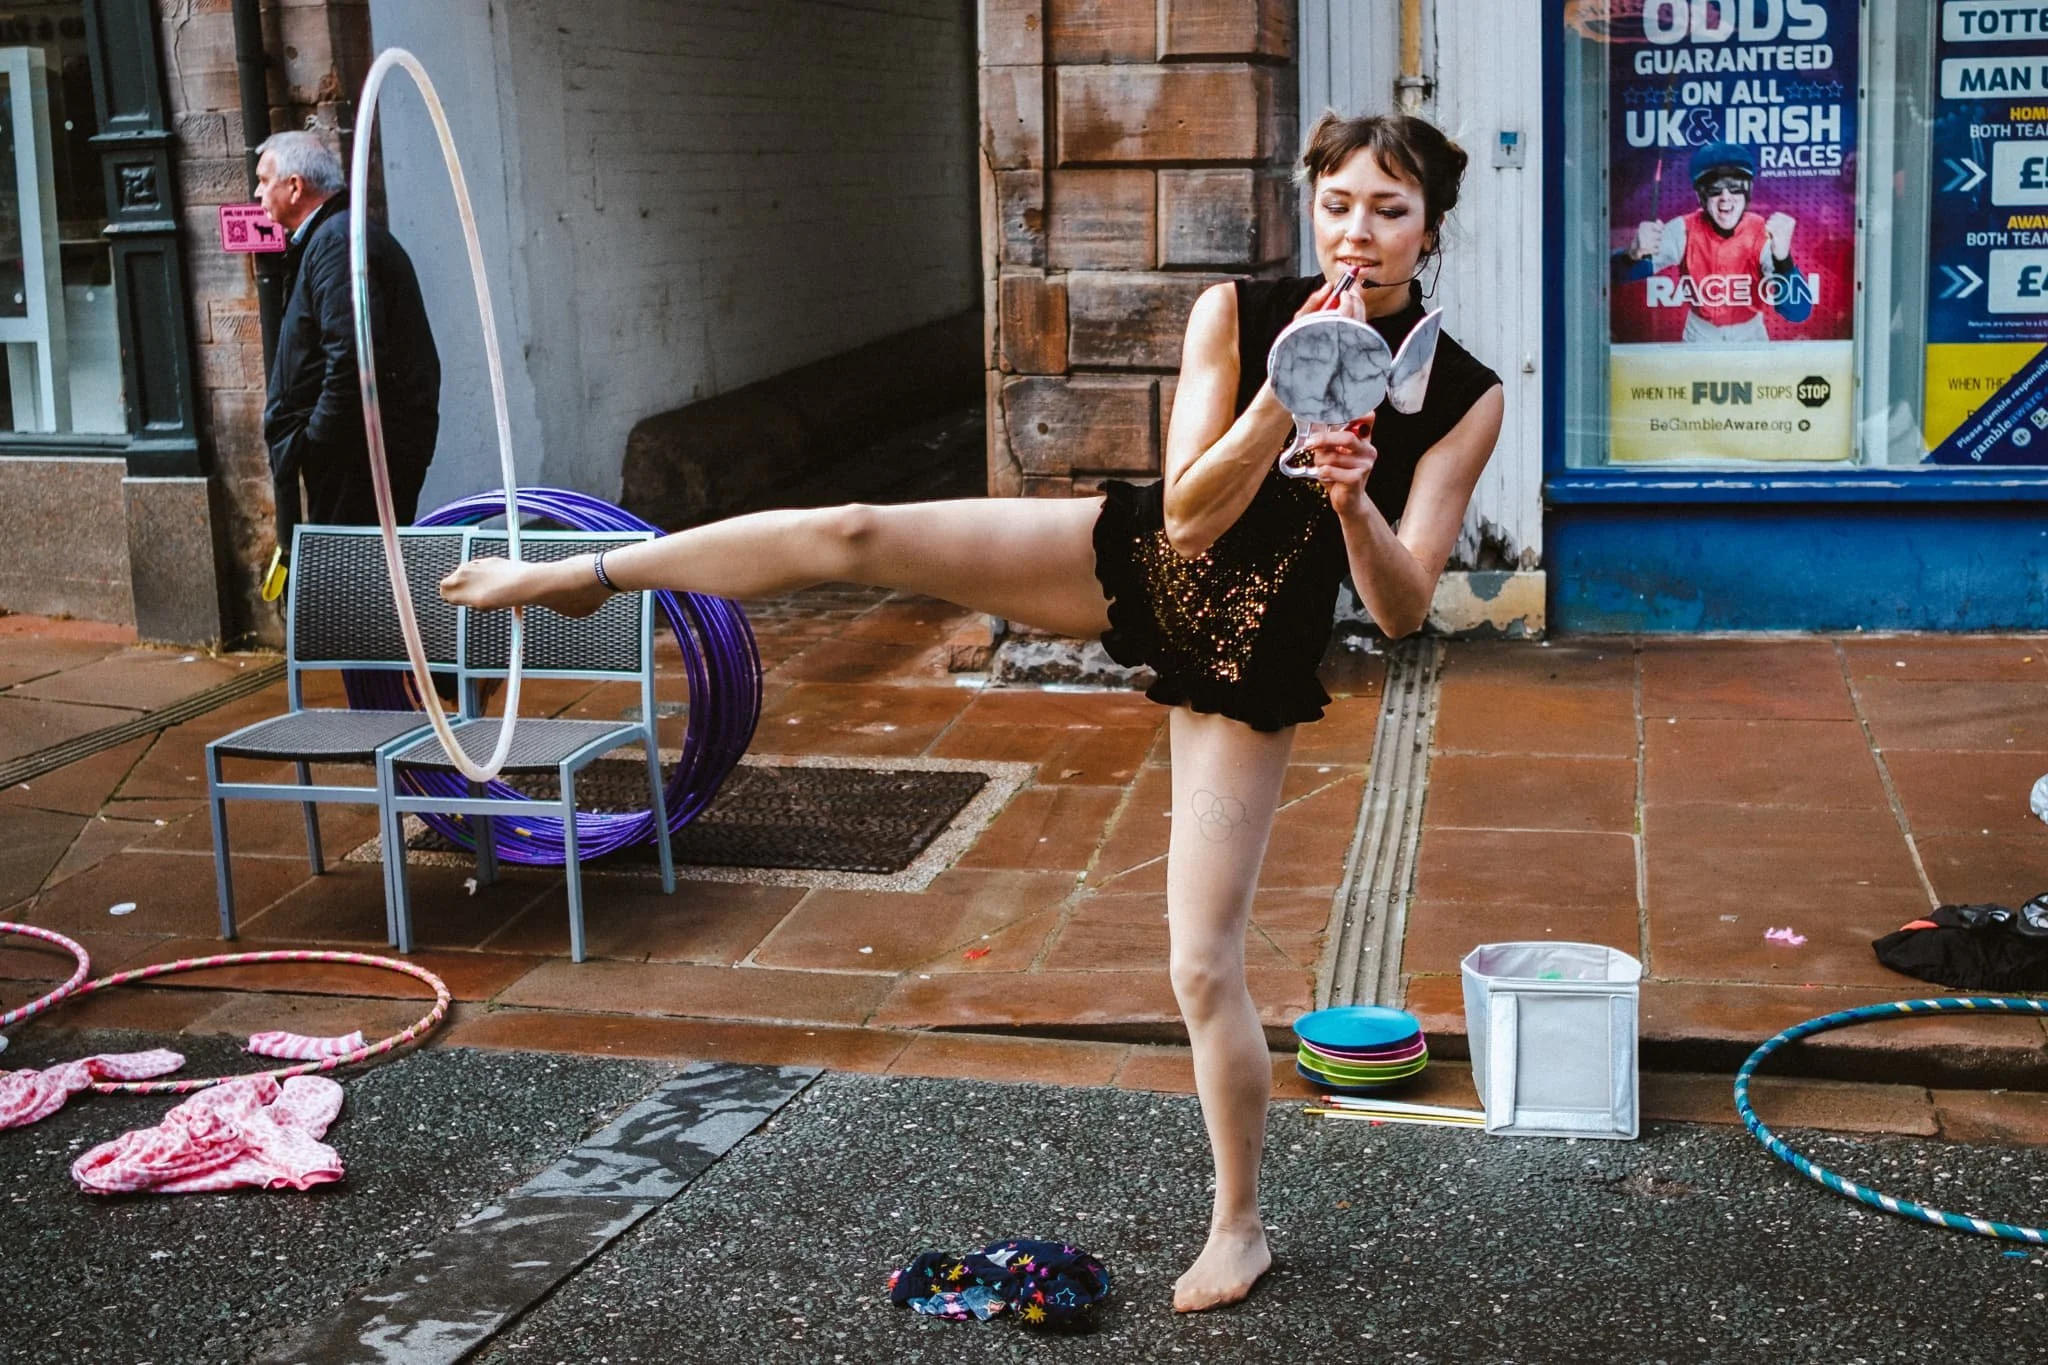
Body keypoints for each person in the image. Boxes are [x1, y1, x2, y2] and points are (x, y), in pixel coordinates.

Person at [440, 111, 1504, 1312]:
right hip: (1137, 559)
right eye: (1336, 203)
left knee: (1200, 966)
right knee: (854, 532)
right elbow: (1192, 517)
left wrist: (1357, 499)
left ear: (1430, 228)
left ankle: (1238, 1227)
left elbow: (1406, 609)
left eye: (1387, 210)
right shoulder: (1239, 315)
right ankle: (572, 578)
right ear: (1309, 206)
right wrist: (1285, 397)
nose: (1355, 232)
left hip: (1245, 650)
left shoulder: (1461, 395)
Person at [257, 129, 441, 546]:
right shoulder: (336, 236)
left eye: (264, 180)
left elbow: (353, 355)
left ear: (295, 186)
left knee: (354, 581)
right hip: (358, 451)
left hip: (356, 455)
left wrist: (317, 440)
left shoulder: (337, 241)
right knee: (361, 577)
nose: (257, 192)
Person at [1613, 141, 1811, 342]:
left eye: (1735, 187)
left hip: (1751, 335)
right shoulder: (1682, 229)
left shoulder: (1763, 231)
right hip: (1700, 335)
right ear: (1701, 196)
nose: (1725, 197)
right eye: (1714, 189)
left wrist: (1783, 259)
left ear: (1748, 192)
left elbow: (1798, 312)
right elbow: (1612, 275)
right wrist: (1632, 254)